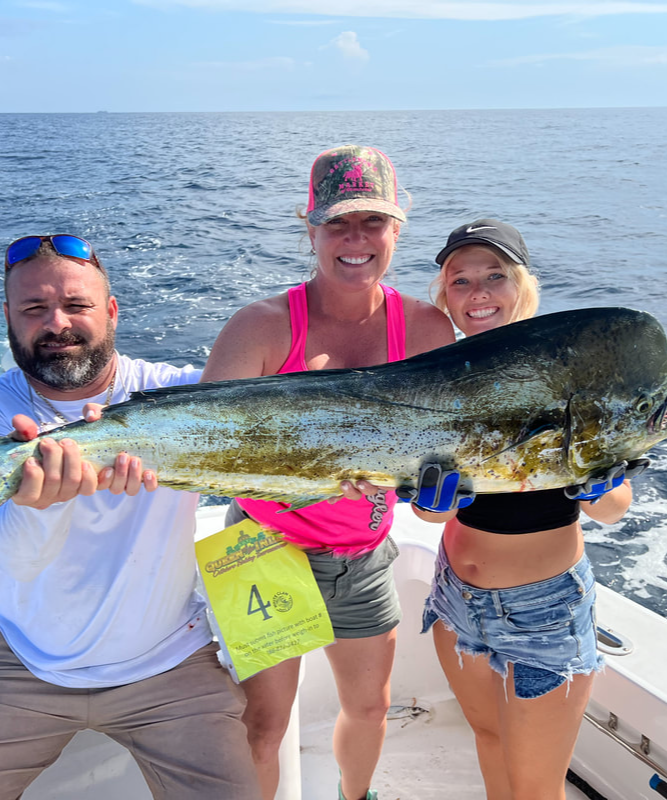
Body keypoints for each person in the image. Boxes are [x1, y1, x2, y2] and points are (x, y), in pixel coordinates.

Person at [0, 234, 259, 800]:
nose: (57, 324)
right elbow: (15, 557)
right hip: (24, 661)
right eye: (34, 309)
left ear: (111, 312)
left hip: (173, 665)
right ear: (9, 319)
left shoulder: (180, 392)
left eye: (76, 306)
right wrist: (44, 506)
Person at [201, 145, 456, 800]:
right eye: (337, 222)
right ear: (309, 228)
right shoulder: (259, 328)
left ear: (397, 230)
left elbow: (432, 488)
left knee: (371, 708)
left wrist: (434, 498)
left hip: (363, 551)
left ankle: (356, 797)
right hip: (260, 545)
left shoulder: (429, 331)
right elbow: (207, 456)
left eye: (373, 222)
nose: (355, 239)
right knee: (263, 721)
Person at [416, 219, 642, 800]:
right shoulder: (437, 380)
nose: (479, 292)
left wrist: (596, 487)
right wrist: (430, 504)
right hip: (453, 598)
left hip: (544, 614)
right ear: (445, 296)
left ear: (522, 286)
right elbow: (435, 517)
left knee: (536, 786)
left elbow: (615, 509)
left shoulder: (573, 377)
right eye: (460, 280)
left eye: (495, 275)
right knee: (488, 742)